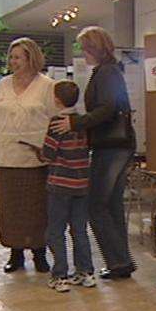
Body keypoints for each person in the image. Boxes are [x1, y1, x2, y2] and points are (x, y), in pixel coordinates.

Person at [52, 27, 136, 279]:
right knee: (110, 206)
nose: (81, 53)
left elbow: (108, 108)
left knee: (96, 205)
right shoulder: (109, 70)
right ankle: (121, 262)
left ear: (93, 47)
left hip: (112, 147)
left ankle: (119, 261)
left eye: (83, 47)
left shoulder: (107, 72)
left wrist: (76, 123)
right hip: (116, 145)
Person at [0, 37, 56, 274]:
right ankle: (15, 254)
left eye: (17, 57)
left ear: (30, 58)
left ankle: (39, 253)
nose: (12, 61)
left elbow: (56, 120)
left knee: (37, 209)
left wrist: (54, 152)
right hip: (7, 158)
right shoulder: (3, 85)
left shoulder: (46, 85)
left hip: (36, 160)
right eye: (11, 57)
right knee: (10, 209)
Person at [38, 80, 96, 292]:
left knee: (55, 230)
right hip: (82, 184)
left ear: (56, 100)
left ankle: (60, 275)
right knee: (79, 229)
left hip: (60, 184)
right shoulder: (82, 122)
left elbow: (48, 153)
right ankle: (86, 272)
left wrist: (40, 152)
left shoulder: (56, 123)